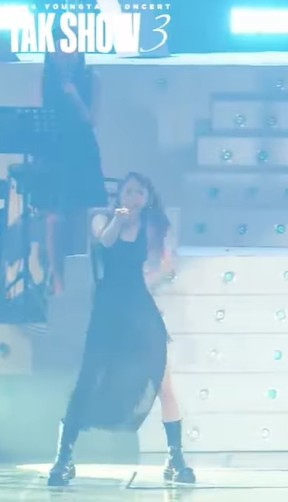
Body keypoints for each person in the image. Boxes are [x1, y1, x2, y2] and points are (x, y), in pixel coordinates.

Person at [47, 173, 195, 486]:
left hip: (139, 308)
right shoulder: (103, 219)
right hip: (108, 311)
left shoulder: (153, 225)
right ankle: (63, 459)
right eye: (128, 191)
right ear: (119, 195)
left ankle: (176, 457)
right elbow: (105, 240)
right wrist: (118, 219)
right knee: (87, 381)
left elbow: (166, 264)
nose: (133, 197)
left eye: (139, 192)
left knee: (163, 381)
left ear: (147, 197)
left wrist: (155, 279)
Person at [38, 27, 108, 295]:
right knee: (54, 217)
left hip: (82, 152)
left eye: (70, 48)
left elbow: (91, 119)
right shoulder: (47, 78)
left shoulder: (92, 78)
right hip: (54, 151)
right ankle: (57, 281)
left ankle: (79, 280)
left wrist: (74, 95)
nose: (64, 54)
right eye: (58, 48)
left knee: (81, 216)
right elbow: (43, 115)